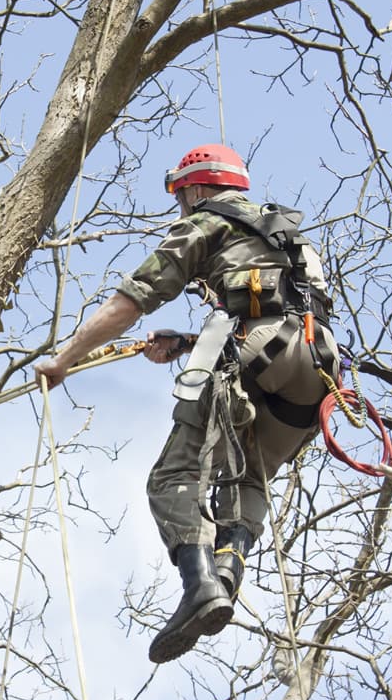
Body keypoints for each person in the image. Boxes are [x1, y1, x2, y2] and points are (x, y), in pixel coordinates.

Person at [34, 144, 339, 664]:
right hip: (318, 369)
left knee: (172, 477)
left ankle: (200, 587)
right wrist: (184, 342)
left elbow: (130, 302)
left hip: (259, 353)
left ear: (196, 188)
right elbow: (272, 306)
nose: (181, 206)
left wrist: (63, 360)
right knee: (248, 477)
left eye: (181, 196)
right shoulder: (287, 235)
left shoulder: (205, 223)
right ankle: (226, 568)